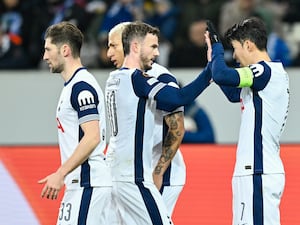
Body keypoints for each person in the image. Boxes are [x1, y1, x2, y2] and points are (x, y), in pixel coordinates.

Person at [105, 21, 212, 225]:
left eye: (113, 45)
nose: (109, 52)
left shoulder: (124, 78)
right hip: (134, 174)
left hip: (142, 171)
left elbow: (176, 125)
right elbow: (178, 98)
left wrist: (158, 170)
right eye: (153, 46)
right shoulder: (134, 78)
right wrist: (210, 72)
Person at [206, 18, 289, 225]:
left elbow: (222, 74)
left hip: (258, 170)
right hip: (254, 171)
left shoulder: (265, 71)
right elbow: (234, 94)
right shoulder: (263, 78)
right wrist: (211, 61)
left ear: (248, 45)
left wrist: (216, 47)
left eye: (234, 48)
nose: (233, 56)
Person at [38, 21, 112, 225]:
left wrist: (60, 173)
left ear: (65, 50)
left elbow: (92, 136)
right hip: (84, 184)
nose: (44, 56)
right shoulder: (73, 85)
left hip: (88, 183)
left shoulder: (81, 87)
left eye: (48, 49)